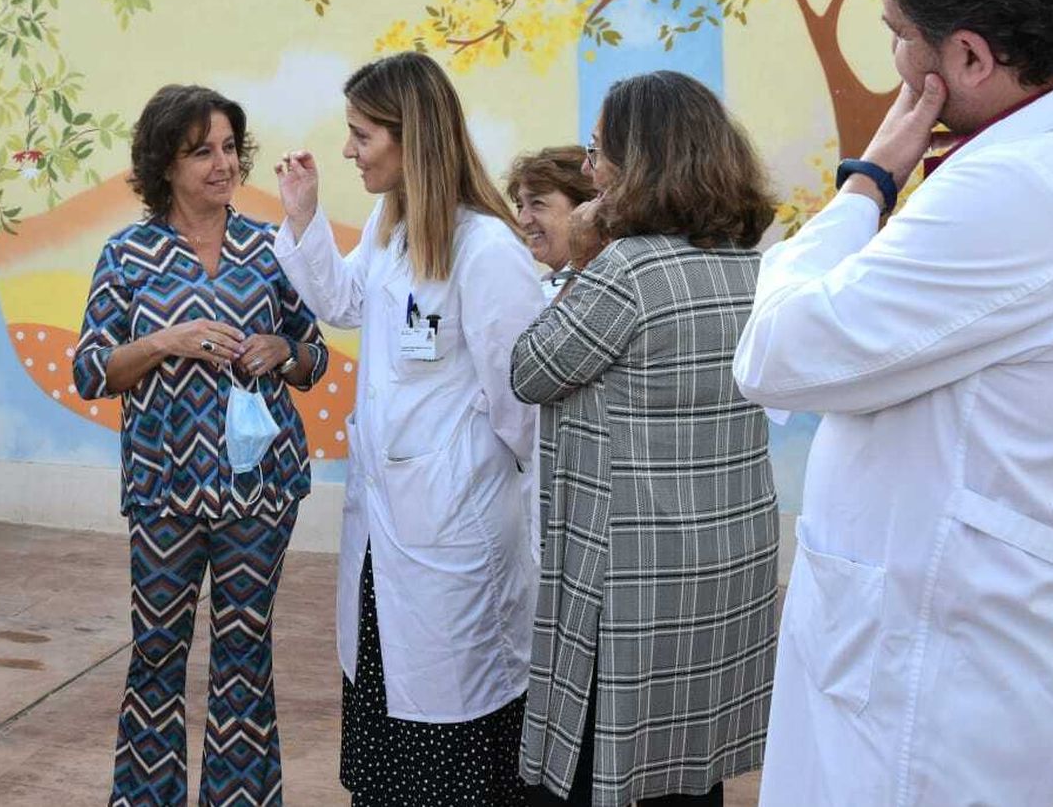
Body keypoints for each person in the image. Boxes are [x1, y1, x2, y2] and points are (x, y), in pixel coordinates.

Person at [731, 0, 1053, 803]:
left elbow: (778, 354)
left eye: (901, 36)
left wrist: (865, 183)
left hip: (929, 676)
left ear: (973, 59)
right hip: (1004, 637)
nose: (899, 65)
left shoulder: (1019, 187)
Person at [273, 51, 541, 806]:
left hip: (452, 530)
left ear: (410, 135)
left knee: (451, 724)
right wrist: (303, 215)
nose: (350, 150)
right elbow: (344, 300)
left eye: (362, 135)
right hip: (389, 529)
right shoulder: (396, 232)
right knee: (390, 696)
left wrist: (469, 480)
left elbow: (521, 404)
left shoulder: (487, 252)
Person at [510, 71, 780, 807]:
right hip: (724, 560)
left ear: (640, 161)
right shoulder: (748, 264)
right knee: (692, 768)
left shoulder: (625, 269)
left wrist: (585, 253)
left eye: (599, 151)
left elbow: (530, 369)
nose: (589, 168)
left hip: (627, 571)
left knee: (610, 766)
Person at [72, 84, 329, 806]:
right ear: (165, 163)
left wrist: (283, 348)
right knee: (155, 654)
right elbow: (92, 370)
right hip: (163, 489)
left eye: (228, 148)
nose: (223, 164)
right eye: (202, 151)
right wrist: (164, 341)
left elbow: (315, 359)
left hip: (261, 488)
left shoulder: (271, 248)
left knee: (244, 656)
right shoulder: (128, 255)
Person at [504, 145, 604, 300]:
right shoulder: (540, 285)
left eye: (537, 203)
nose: (523, 220)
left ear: (586, 207)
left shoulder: (601, 286)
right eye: (519, 206)